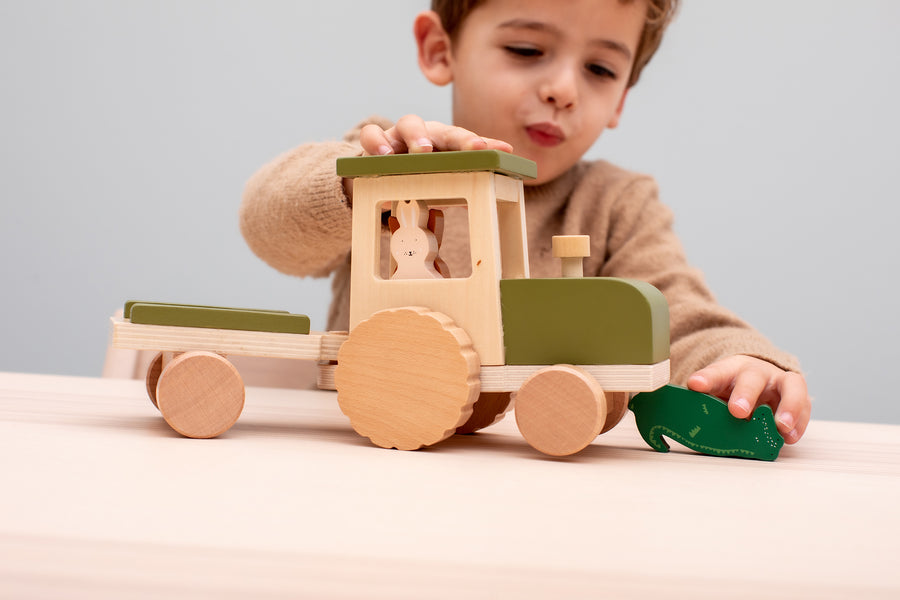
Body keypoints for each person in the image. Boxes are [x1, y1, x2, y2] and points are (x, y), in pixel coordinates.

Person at [240, 0, 811, 444]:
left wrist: (740, 361)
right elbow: (266, 227)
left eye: (599, 68)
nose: (563, 89)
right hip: (375, 442)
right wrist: (355, 180)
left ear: (621, 100)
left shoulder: (617, 204)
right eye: (525, 49)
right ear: (441, 50)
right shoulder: (388, 168)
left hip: (537, 476)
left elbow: (678, 314)